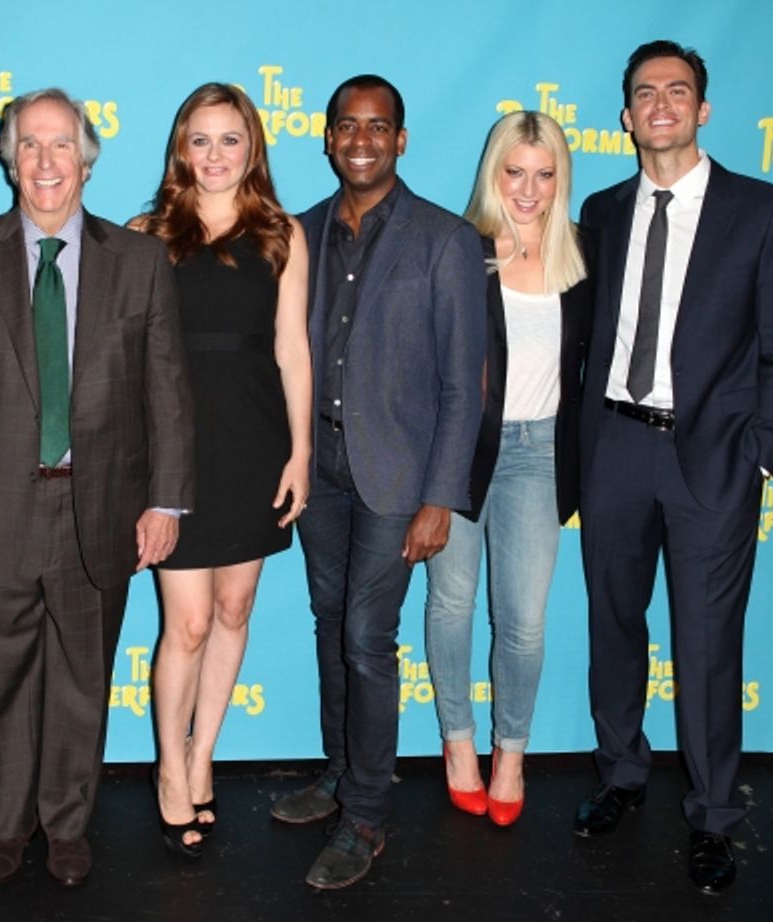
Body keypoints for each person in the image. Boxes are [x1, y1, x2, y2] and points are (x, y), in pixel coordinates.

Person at [0, 87, 194, 888]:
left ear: (87, 158)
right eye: (28, 145)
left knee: (79, 678)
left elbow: (166, 389)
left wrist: (165, 500)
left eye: (60, 144)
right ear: (8, 158)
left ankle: (67, 825)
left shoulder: (137, 261)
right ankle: (6, 823)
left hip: (96, 506)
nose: (44, 162)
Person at [573, 41, 773, 894]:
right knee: (613, 626)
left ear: (703, 110)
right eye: (645, 92)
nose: (662, 104)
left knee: (708, 645)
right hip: (613, 447)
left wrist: (763, 453)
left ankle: (713, 815)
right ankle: (620, 774)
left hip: (713, 457)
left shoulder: (763, 209)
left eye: (678, 91)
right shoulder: (596, 211)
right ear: (626, 115)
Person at [269, 74, 486, 889]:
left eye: (378, 126)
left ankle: (366, 814)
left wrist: (441, 497)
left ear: (400, 139)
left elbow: (466, 385)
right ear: (326, 138)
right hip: (319, 469)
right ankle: (340, 770)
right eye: (346, 126)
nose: (361, 139)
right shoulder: (301, 231)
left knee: (367, 639)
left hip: (400, 480)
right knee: (331, 625)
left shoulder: (444, 239)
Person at [131, 83, 311, 858]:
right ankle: (170, 769)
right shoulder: (146, 233)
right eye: (199, 140)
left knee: (234, 614)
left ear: (252, 146)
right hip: (174, 446)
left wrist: (301, 451)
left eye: (228, 139)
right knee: (189, 622)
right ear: (181, 149)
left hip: (254, 441)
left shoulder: (283, 234)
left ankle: (205, 754)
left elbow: (291, 350)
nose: (213, 154)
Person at [424, 110, 591, 827]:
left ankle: (512, 753)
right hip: (461, 449)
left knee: (522, 620)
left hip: (540, 452)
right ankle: (458, 745)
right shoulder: (460, 247)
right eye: (514, 171)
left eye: (544, 173)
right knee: (451, 606)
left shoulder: (582, 254)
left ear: (560, 179)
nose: (528, 189)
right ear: (494, 172)